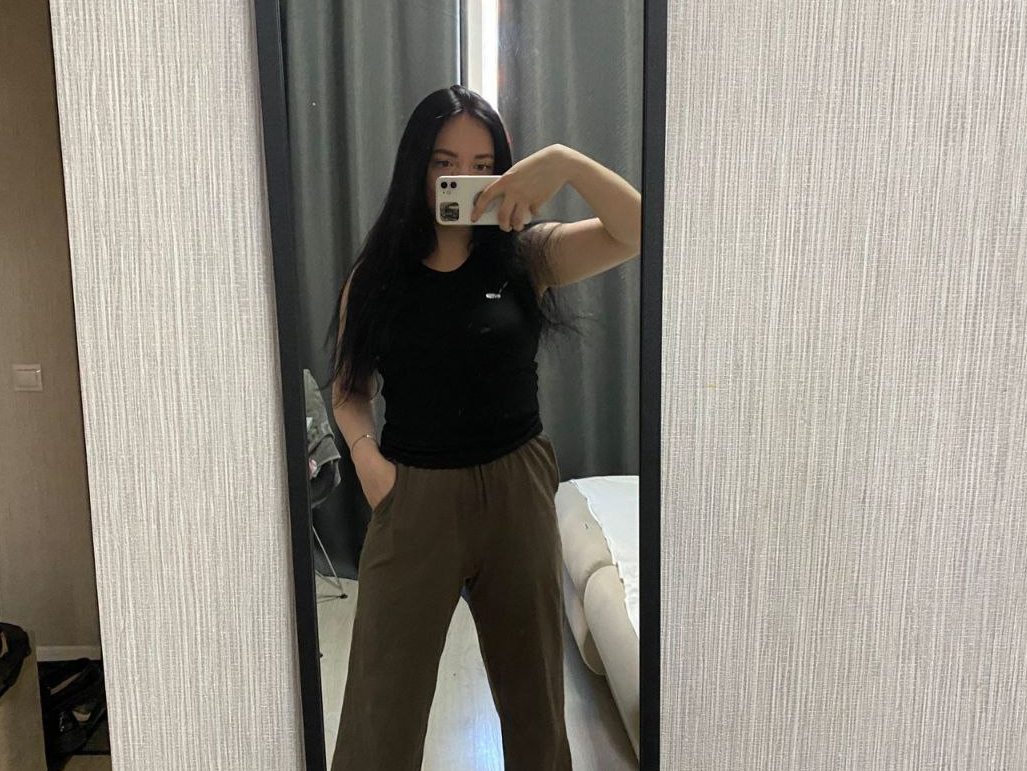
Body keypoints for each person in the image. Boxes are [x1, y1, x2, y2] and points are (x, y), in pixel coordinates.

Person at [326, 84, 640, 771]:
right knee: (382, 708)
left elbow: (639, 228)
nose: (461, 179)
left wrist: (565, 163)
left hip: (516, 488)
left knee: (535, 703)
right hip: (413, 496)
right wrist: (371, 465)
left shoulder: (527, 256)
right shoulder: (376, 276)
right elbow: (349, 392)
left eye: (481, 165)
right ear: (417, 168)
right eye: (444, 163)